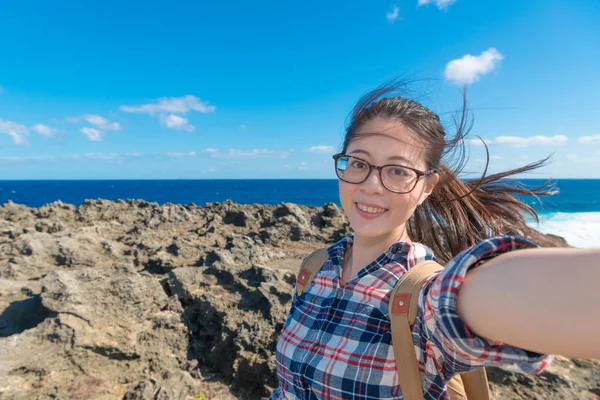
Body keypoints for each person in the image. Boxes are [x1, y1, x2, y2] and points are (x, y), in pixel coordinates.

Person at [270, 83, 600, 399]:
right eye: (359, 163)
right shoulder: (314, 270)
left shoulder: (422, 297)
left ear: (427, 186)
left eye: (397, 171)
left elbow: (508, 297)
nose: (371, 185)